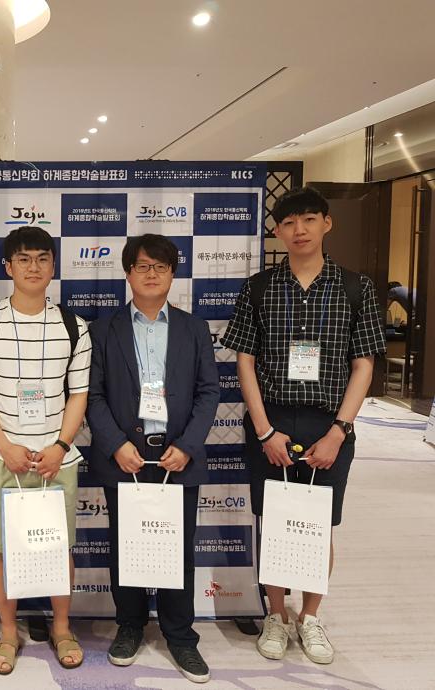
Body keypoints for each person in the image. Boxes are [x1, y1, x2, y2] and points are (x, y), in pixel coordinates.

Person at [221, 186, 386, 665]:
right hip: (273, 421)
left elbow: (364, 364)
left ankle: (310, 616)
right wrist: (264, 431)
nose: (300, 230)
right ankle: (276, 614)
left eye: (309, 220)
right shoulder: (259, 288)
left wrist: (339, 431)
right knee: (275, 523)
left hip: (329, 423)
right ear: (277, 230)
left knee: (318, 525)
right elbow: (245, 362)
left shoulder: (355, 287)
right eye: (289, 222)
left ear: (326, 224)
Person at [0, 226, 91, 675]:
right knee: (0, 548)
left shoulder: (74, 326)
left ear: (53, 265)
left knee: (59, 547)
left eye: (42, 258)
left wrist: (60, 446)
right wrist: (5, 446)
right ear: (8, 266)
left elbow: (78, 395)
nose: (34, 267)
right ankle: (7, 632)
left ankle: (62, 628)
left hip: (57, 458)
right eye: (24, 259)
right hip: (1, 456)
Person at [86, 233, 219, 684]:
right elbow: (93, 395)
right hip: (124, 456)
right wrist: (115, 444)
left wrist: (188, 446)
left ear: (172, 274)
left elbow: (209, 392)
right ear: (128, 273)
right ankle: (129, 626)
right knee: (125, 546)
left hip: (177, 457)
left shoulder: (193, 328)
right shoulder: (102, 330)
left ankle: (180, 636)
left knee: (178, 550)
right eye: (142, 266)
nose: (151, 274)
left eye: (160, 266)